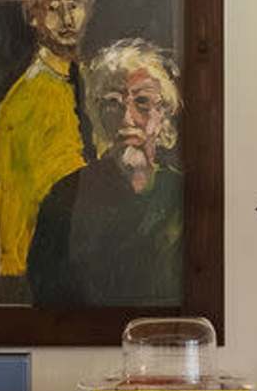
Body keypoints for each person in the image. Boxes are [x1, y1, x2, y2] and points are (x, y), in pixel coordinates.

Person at [25, 38, 185, 306]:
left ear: (163, 117)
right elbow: (45, 295)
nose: (127, 119)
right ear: (99, 114)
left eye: (143, 102)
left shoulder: (182, 195)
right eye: (113, 103)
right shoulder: (66, 195)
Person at [0, 0, 93, 275]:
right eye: (53, 8)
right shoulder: (27, 101)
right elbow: (15, 209)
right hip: (47, 264)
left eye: (74, 5)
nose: (66, 19)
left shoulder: (87, 80)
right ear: (34, 17)